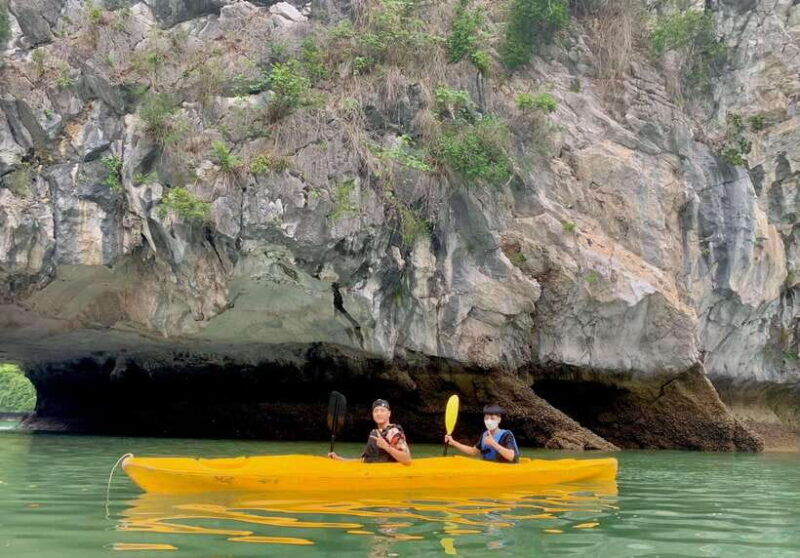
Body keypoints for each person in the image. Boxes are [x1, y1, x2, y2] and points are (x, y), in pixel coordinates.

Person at [328, 399, 412, 465]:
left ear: (389, 413)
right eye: (376, 411)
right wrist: (339, 459)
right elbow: (365, 461)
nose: (379, 413)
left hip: (386, 475)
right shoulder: (375, 432)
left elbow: (407, 459)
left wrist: (387, 447)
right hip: (373, 472)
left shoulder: (393, 432)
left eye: (382, 410)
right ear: (372, 414)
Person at [444, 404, 520, 463]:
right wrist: (454, 443)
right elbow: (472, 452)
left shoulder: (506, 435)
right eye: (486, 418)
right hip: (490, 469)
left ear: (499, 420)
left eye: (492, 418)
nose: (489, 421)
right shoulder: (485, 435)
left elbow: (511, 456)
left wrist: (493, 443)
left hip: (505, 469)